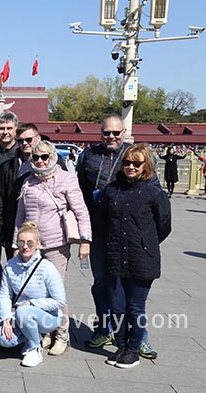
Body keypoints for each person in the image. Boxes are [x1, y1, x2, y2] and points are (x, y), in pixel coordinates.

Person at [76, 114, 160, 359]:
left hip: (131, 236)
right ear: (100, 133)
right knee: (103, 284)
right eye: (106, 133)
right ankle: (104, 328)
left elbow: (155, 199)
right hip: (99, 233)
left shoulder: (135, 155)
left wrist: (147, 236)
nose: (111, 137)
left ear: (124, 132)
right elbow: (79, 194)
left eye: (116, 133)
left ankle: (139, 339)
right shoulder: (88, 156)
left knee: (132, 291)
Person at [13, 140, 91, 356]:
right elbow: (20, 217)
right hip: (31, 246)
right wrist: (16, 244)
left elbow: (81, 211)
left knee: (56, 291)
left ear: (53, 157)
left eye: (44, 157)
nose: (39, 161)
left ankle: (62, 333)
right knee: (36, 291)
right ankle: (46, 331)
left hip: (56, 244)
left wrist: (85, 240)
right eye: (35, 157)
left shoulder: (66, 179)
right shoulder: (28, 181)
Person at [103, 144, 171, 369]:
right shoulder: (112, 190)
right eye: (127, 163)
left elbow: (164, 226)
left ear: (146, 166)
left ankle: (133, 349)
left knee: (135, 307)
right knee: (116, 306)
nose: (131, 167)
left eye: (136, 163)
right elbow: (105, 222)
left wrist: (145, 243)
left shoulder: (154, 193)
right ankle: (121, 345)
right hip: (115, 255)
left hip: (142, 258)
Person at [0, 123, 66, 260]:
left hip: (50, 235)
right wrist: (2, 232)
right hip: (17, 232)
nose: (25, 143)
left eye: (29, 139)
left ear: (38, 138)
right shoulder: (7, 167)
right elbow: (0, 202)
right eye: (20, 140)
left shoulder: (55, 162)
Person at [0, 222, 66, 367]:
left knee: (23, 311)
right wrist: (6, 319)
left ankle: (35, 348)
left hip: (49, 316)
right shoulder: (10, 265)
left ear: (38, 244)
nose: (25, 246)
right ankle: (29, 337)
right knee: (4, 339)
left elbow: (60, 301)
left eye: (30, 242)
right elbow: (4, 295)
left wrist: (30, 304)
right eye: (21, 242)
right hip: (20, 315)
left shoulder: (47, 268)